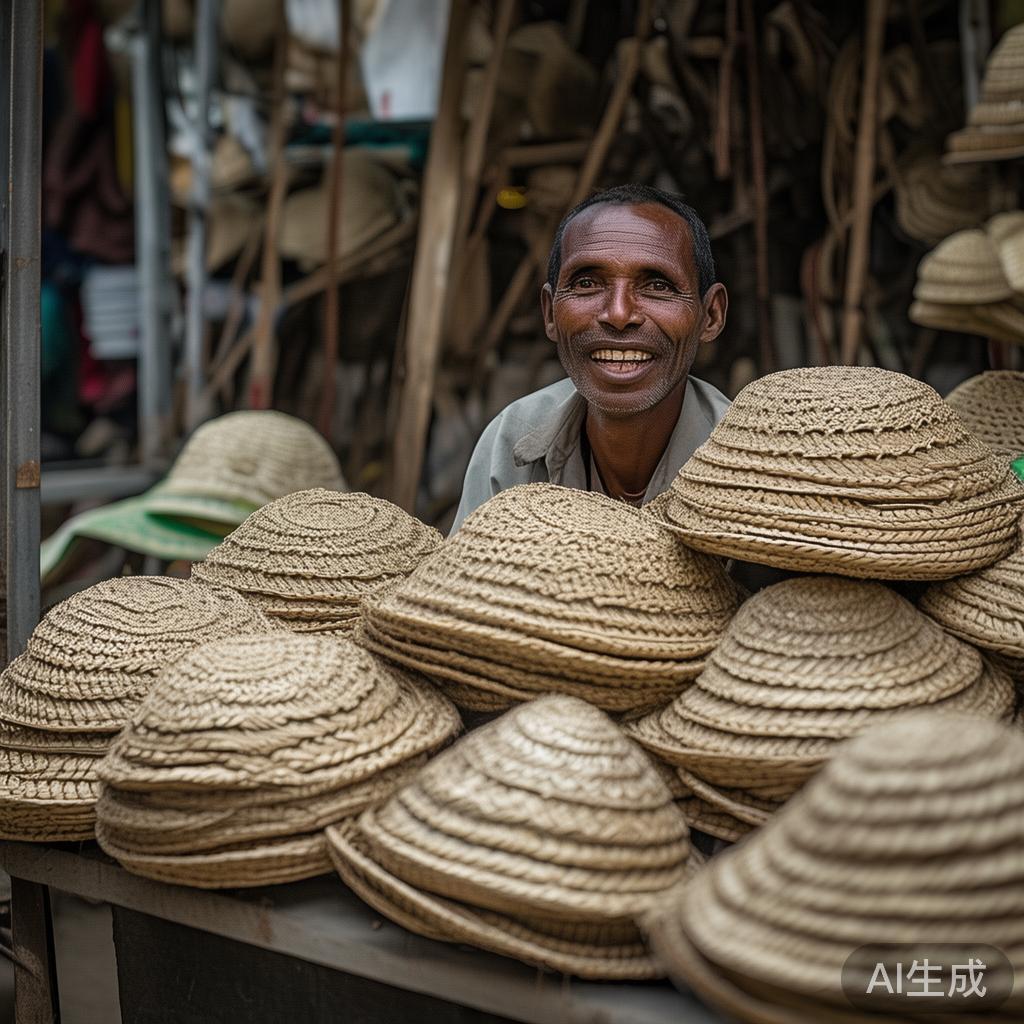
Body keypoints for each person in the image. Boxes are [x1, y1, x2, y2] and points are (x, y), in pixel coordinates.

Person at [451, 183, 730, 529]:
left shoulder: (749, 464)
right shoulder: (511, 441)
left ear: (710, 316)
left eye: (658, 285)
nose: (618, 313)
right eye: (587, 284)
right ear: (550, 314)